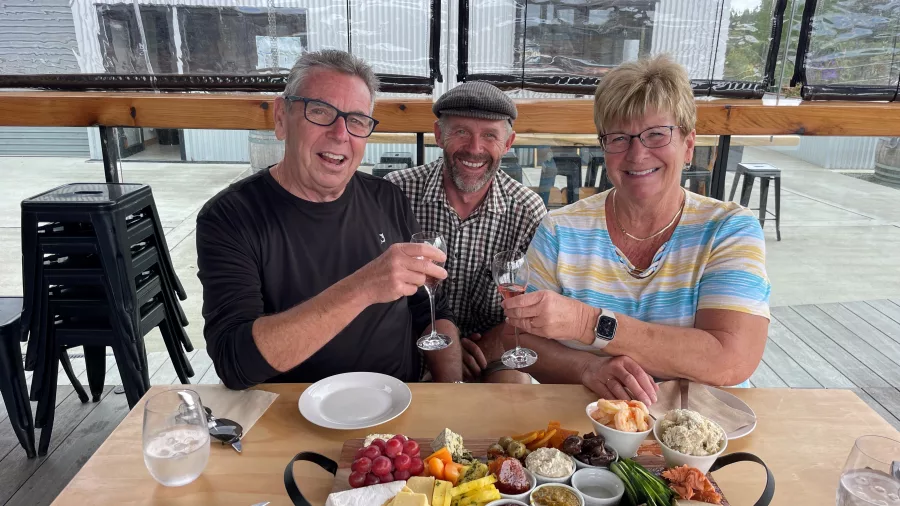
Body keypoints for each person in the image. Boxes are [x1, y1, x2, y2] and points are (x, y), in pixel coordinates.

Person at [491, 55, 771, 405]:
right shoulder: (560, 229)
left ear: (688, 145)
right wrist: (585, 369)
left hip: (701, 432)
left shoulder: (729, 229)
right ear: (604, 149)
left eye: (656, 134)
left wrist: (587, 323)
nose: (637, 154)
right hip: (591, 430)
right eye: (620, 138)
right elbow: (518, 337)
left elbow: (730, 360)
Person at [196, 49, 462, 390]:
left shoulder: (387, 198)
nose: (340, 134)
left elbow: (431, 312)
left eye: (356, 120)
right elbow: (234, 362)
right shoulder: (230, 217)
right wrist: (364, 287)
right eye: (319, 111)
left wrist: (455, 393)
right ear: (281, 117)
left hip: (396, 409)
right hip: (290, 413)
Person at [385, 82, 546, 382]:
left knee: (514, 390)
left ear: (508, 143)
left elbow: (530, 313)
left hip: (487, 355)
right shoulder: (398, 191)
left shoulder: (527, 211)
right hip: (409, 348)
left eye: (489, 135)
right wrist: (448, 348)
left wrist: (486, 345)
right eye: (461, 131)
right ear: (438, 135)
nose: (474, 148)